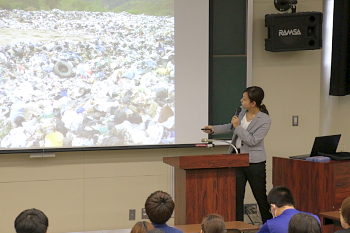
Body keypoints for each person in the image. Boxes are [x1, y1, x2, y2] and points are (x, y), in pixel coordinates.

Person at [203, 86, 272, 223]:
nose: (241, 101)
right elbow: (231, 127)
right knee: (236, 197)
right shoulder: (242, 113)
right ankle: (238, 227)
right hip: (236, 159)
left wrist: (238, 127)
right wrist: (213, 129)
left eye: (244, 99)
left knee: (261, 198)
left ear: (253, 103)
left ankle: (268, 227)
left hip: (254, 163)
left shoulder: (265, 120)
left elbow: (252, 141)